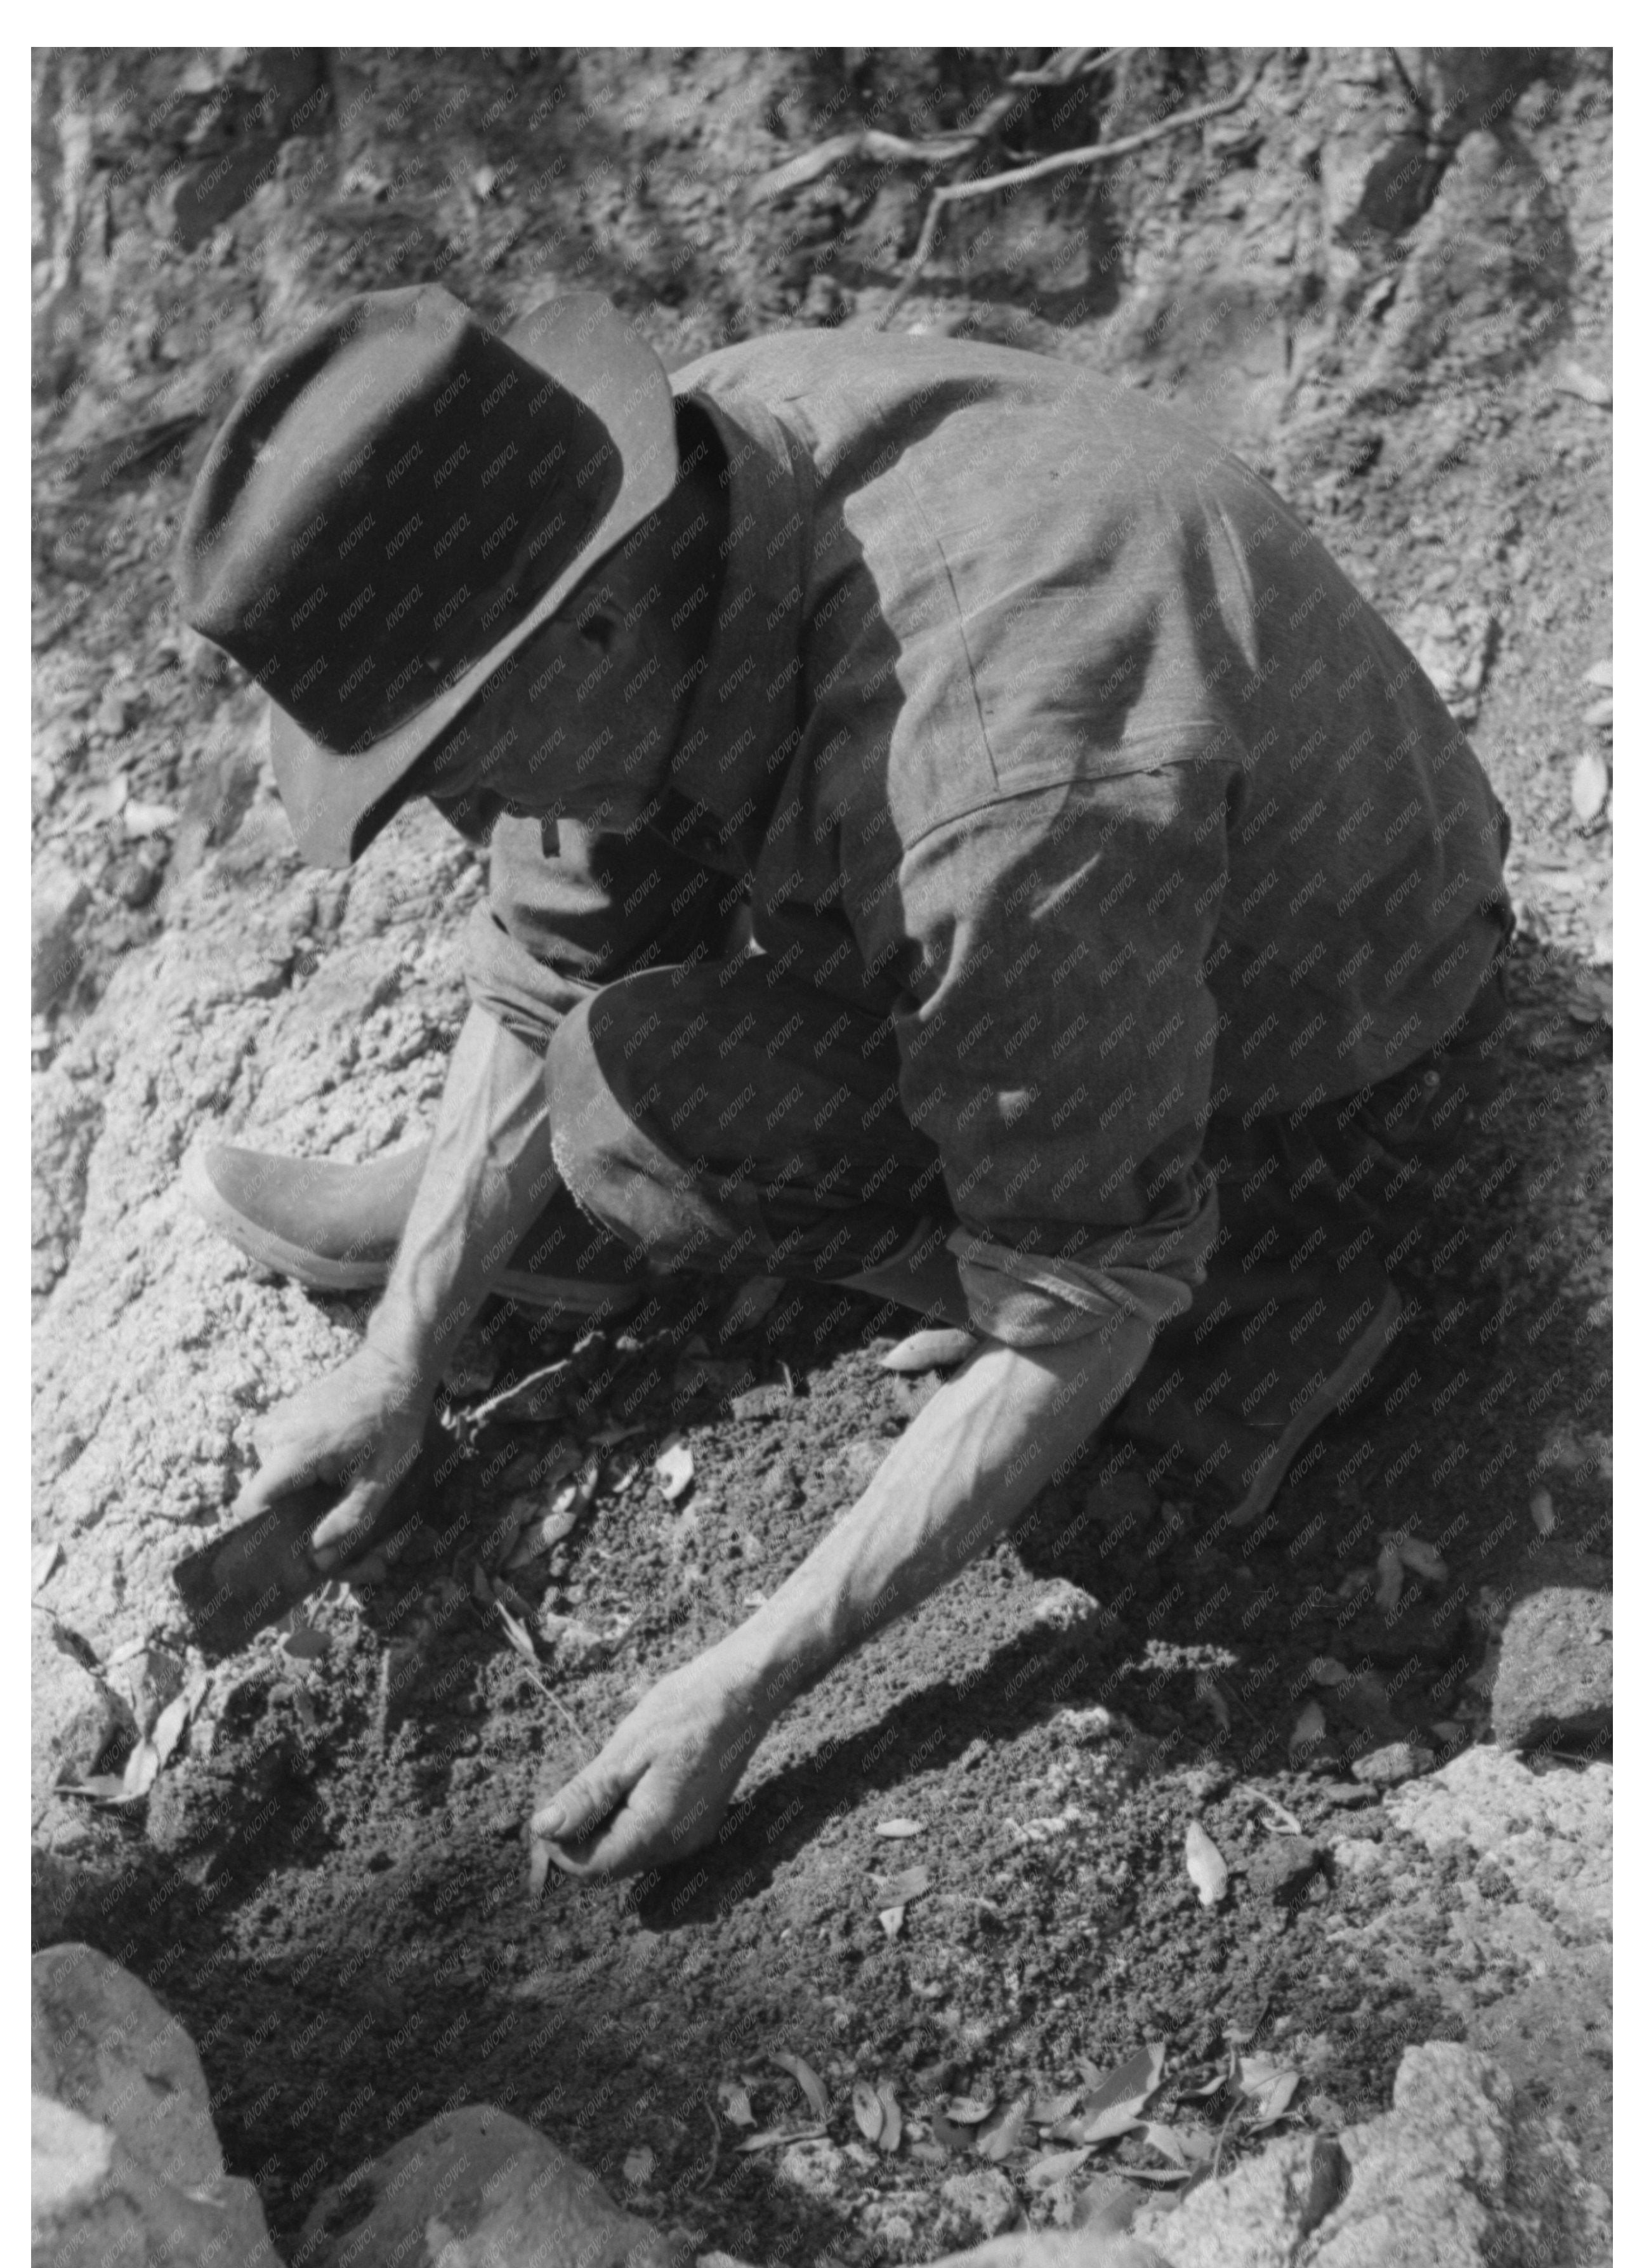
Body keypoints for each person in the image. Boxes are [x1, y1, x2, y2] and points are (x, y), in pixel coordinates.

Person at [176, 283, 1513, 1881]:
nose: (469, 831)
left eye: (463, 775)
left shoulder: (996, 789)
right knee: (612, 1054)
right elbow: (551, 949)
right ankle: (527, 1231)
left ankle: (1253, 1312)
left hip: (1338, 1011)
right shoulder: (655, 499)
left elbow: (1072, 1291)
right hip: (1090, 884)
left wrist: (745, 1683)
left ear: (587, 629)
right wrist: (403, 1352)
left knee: (669, 1120)